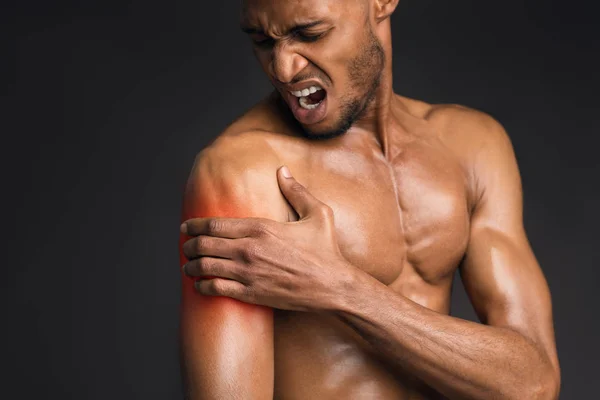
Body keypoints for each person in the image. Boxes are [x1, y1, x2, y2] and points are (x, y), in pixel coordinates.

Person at [177, 0, 560, 398]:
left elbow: (533, 383)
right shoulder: (241, 171)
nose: (283, 68)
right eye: (262, 41)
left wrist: (342, 289)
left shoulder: (471, 147)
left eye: (310, 33)